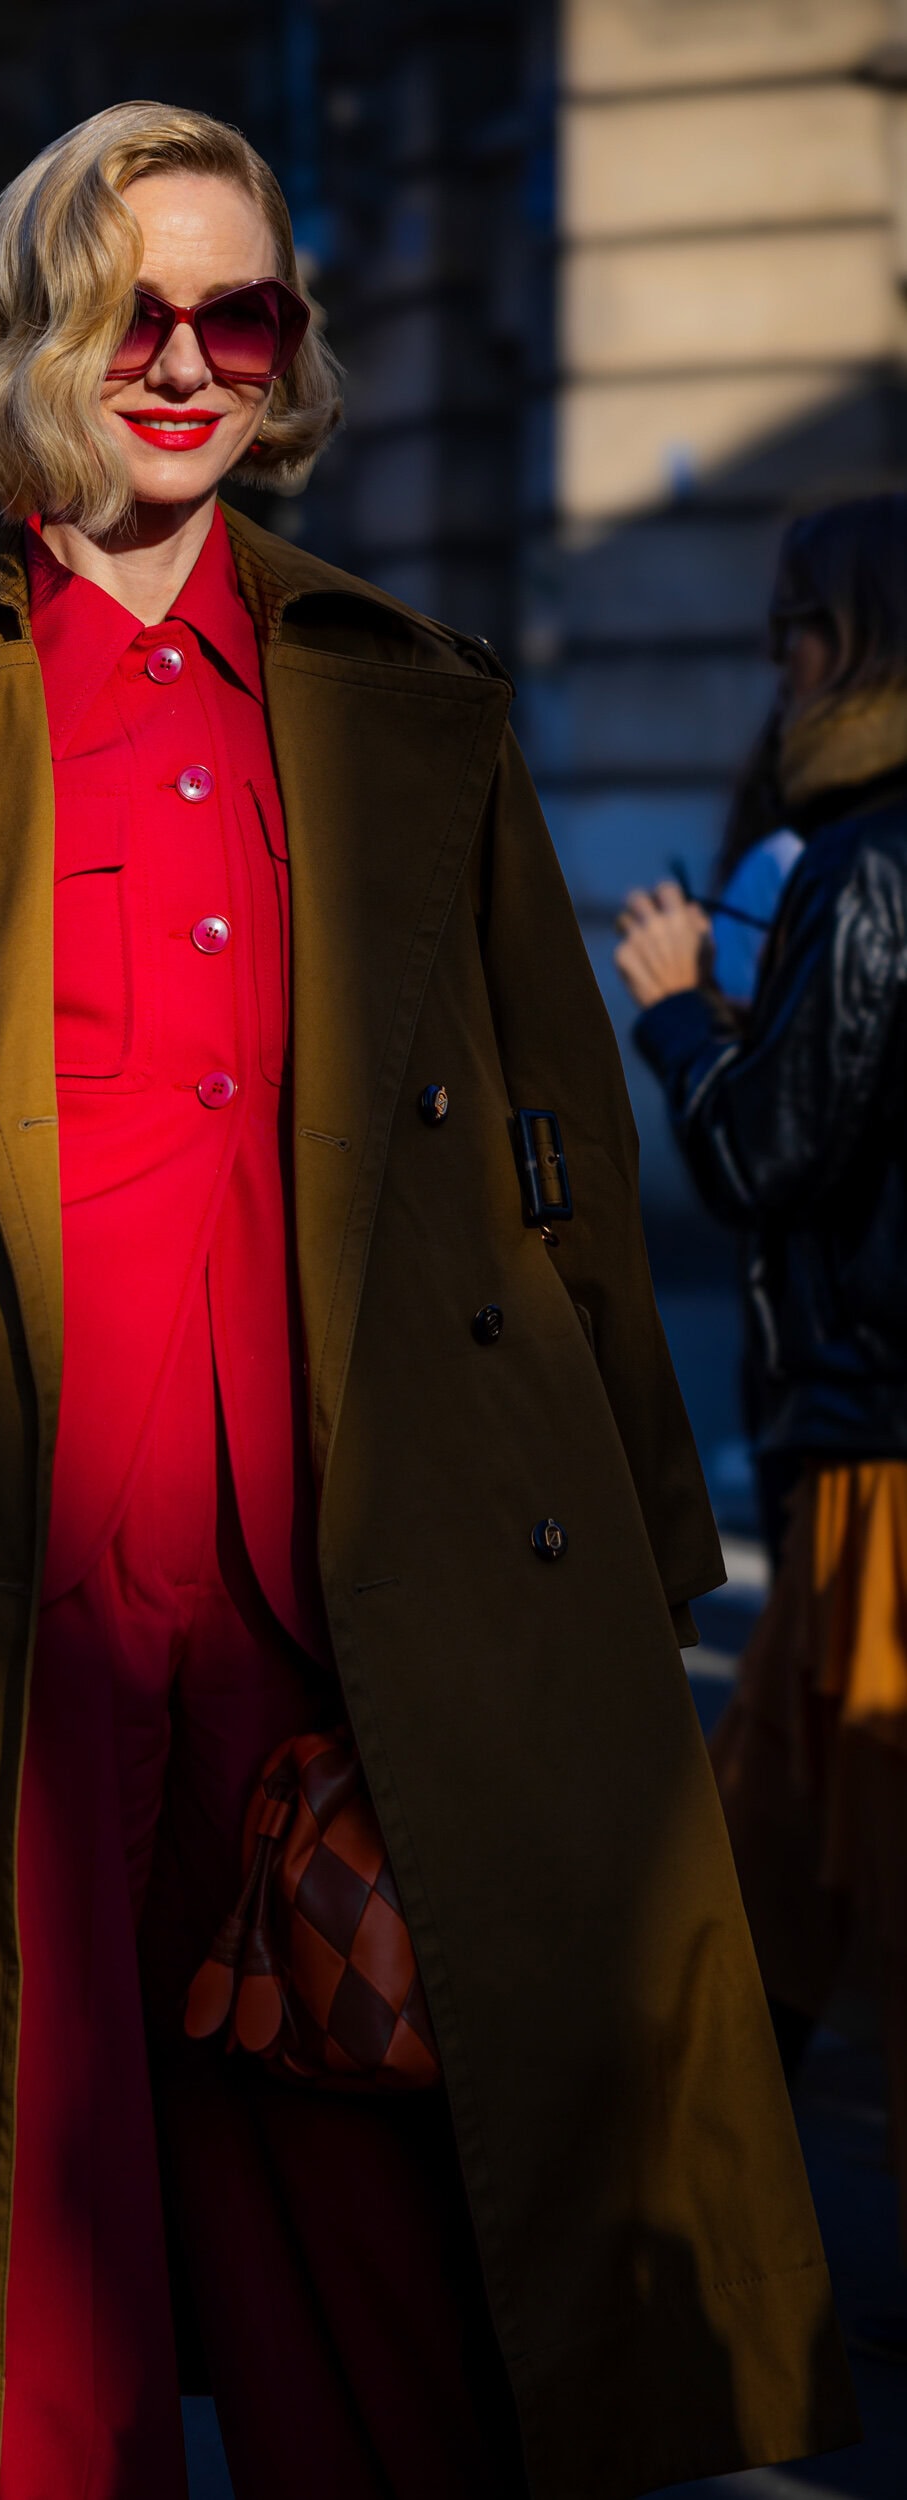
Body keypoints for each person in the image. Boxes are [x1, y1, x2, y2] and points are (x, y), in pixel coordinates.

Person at [0, 104, 855, 2500]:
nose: (181, 360)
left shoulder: (411, 703)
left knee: (385, 2294)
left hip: (333, 1614)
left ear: (288, 358)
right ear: (30, 335)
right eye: (126, 309)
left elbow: (549, 1149)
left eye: (235, 313)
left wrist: (642, 1549)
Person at [617, 490, 907, 2281]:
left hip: (876, 1440)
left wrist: (669, 1016)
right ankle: (665, 2207)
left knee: (851, 1848)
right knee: (773, 1844)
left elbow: (767, 1156)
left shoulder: (869, 858)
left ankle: (663, 2212)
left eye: (792, 627)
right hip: (847, 1442)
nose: (772, 661)